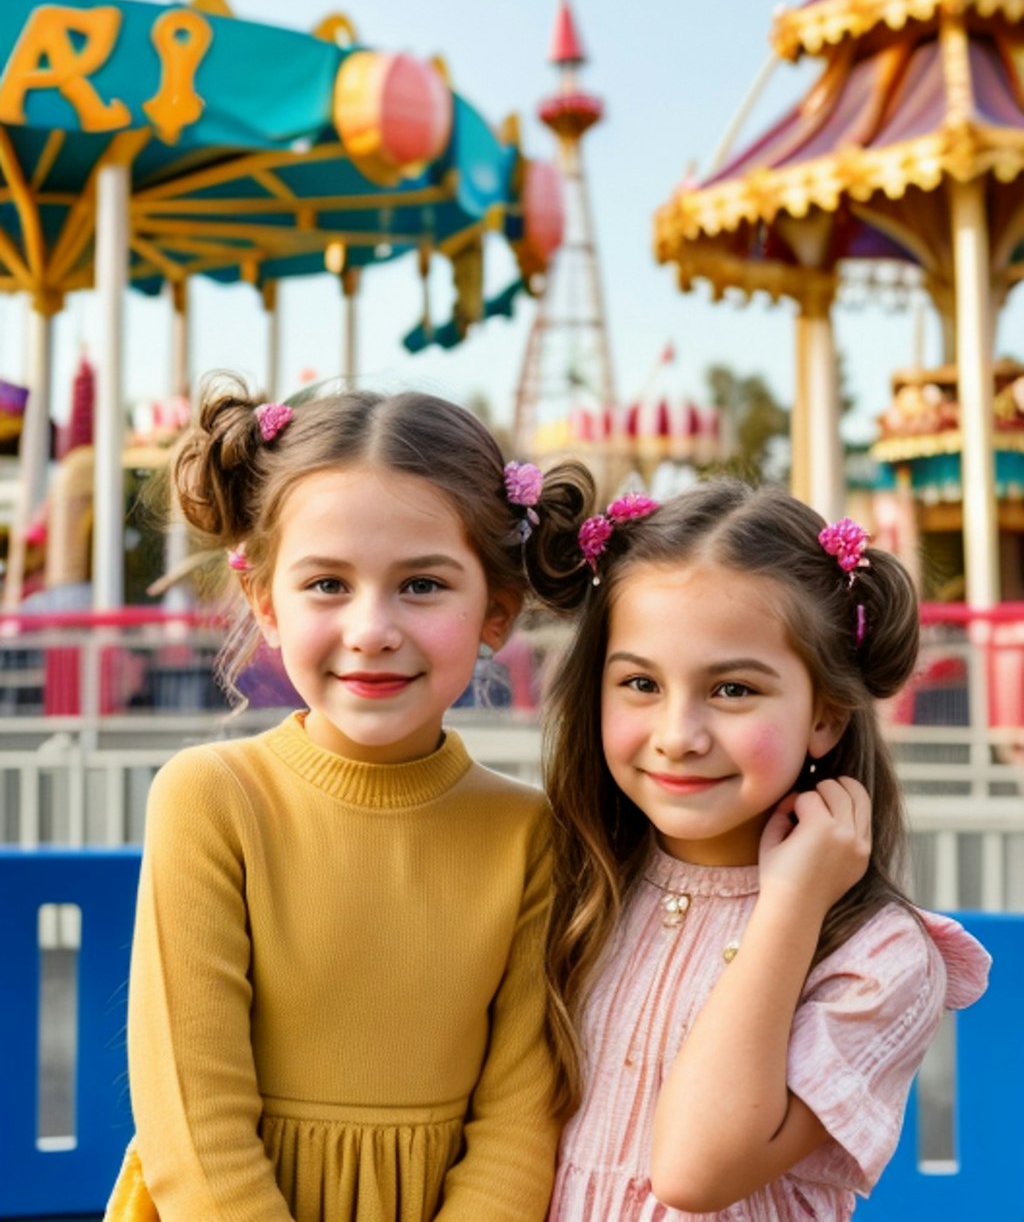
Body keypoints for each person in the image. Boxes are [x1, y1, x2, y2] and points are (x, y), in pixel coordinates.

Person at [104, 378, 586, 1222]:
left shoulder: (528, 835)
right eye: (327, 584)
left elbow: (520, 1123)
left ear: (496, 613)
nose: (372, 628)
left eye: (423, 586)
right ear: (267, 604)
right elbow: (192, 1117)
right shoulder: (212, 801)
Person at [528, 477, 990, 1220]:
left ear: (826, 718)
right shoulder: (569, 882)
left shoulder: (877, 960)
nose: (679, 735)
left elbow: (694, 1170)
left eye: (733, 691)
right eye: (641, 682)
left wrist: (792, 904)